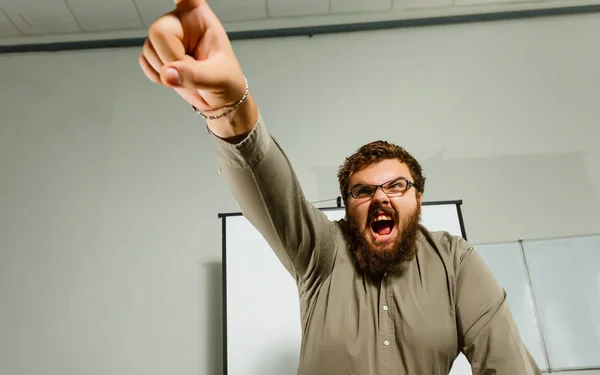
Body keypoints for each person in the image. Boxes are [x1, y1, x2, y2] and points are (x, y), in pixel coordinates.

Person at [139, 1, 542, 374]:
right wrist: (228, 107)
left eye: (396, 185)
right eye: (362, 191)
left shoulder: (454, 262)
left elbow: (506, 362)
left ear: (418, 197)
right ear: (347, 207)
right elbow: (271, 188)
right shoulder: (323, 252)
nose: (380, 197)